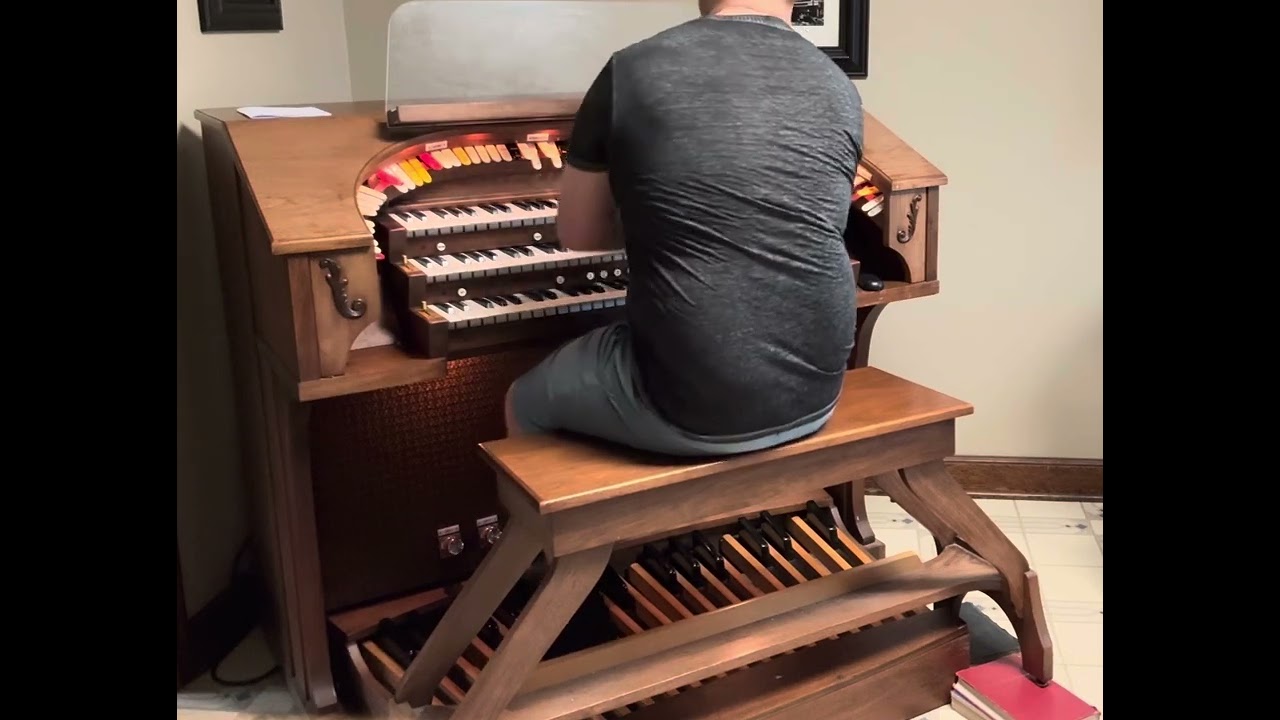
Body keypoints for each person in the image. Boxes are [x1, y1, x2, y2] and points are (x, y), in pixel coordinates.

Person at [503, 0, 862, 457]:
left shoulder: (630, 69)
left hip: (690, 409)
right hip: (819, 390)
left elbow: (580, 234)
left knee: (523, 401)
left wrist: (664, 223)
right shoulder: (837, 84)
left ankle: (552, 527)